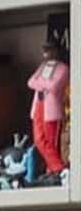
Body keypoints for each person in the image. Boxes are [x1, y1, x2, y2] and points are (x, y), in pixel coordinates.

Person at [29, 41, 70, 182]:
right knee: (39, 139)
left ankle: (56, 168)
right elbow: (31, 82)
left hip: (51, 108)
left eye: (50, 50)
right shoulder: (42, 67)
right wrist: (43, 84)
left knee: (50, 140)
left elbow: (54, 86)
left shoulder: (63, 68)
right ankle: (55, 167)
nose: (47, 53)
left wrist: (42, 83)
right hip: (39, 105)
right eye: (45, 50)